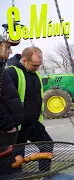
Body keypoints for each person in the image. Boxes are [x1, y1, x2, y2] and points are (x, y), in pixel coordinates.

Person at [6, 46, 53, 172]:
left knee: (47, 144)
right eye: (34, 65)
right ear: (24, 60)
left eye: (39, 65)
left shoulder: (35, 73)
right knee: (16, 158)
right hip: (18, 126)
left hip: (33, 123)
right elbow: (7, 100)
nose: (37, 69)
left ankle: (44, 175)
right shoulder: (12, 72)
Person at [0, 34, 23, 176]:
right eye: (8, 47)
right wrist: (9, 126)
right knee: (5, 171)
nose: (11, 52)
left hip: (6, 128)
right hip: (4, 130)